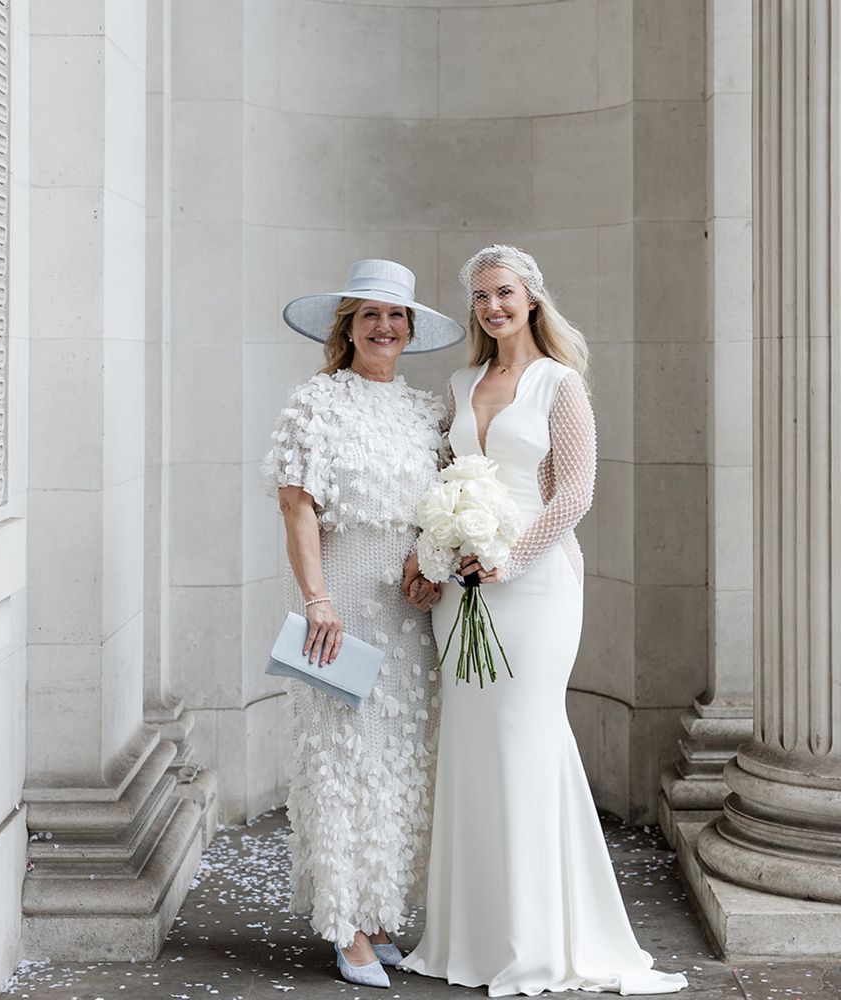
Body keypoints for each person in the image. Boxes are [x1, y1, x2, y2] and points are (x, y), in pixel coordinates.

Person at [400, 246, 689, 996]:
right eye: (480, 298)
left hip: (534, 586)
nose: (492, 307)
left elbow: (575, 495)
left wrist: (510, 559)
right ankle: (470, 937)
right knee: (471, 747)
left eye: (504, 293)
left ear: (530, 299)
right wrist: (435, 552)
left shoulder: (562, 385)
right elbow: (442, 480)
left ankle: (538, 942)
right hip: (464, 586)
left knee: (524, 742)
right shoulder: (461, 384)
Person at [261, 259, 464, 989]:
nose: (385, 327)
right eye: (370, 314)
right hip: (340, 595)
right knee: (342, 759)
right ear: (346, 326)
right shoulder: (316, 402)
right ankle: (344, 926)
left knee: (399, 760)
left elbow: (438, 506)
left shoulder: (420, 412)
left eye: (397, 316)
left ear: (409, 331)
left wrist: (428, 561)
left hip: (407, 611)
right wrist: (318, 599)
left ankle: (379, 918)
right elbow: (296, 505)